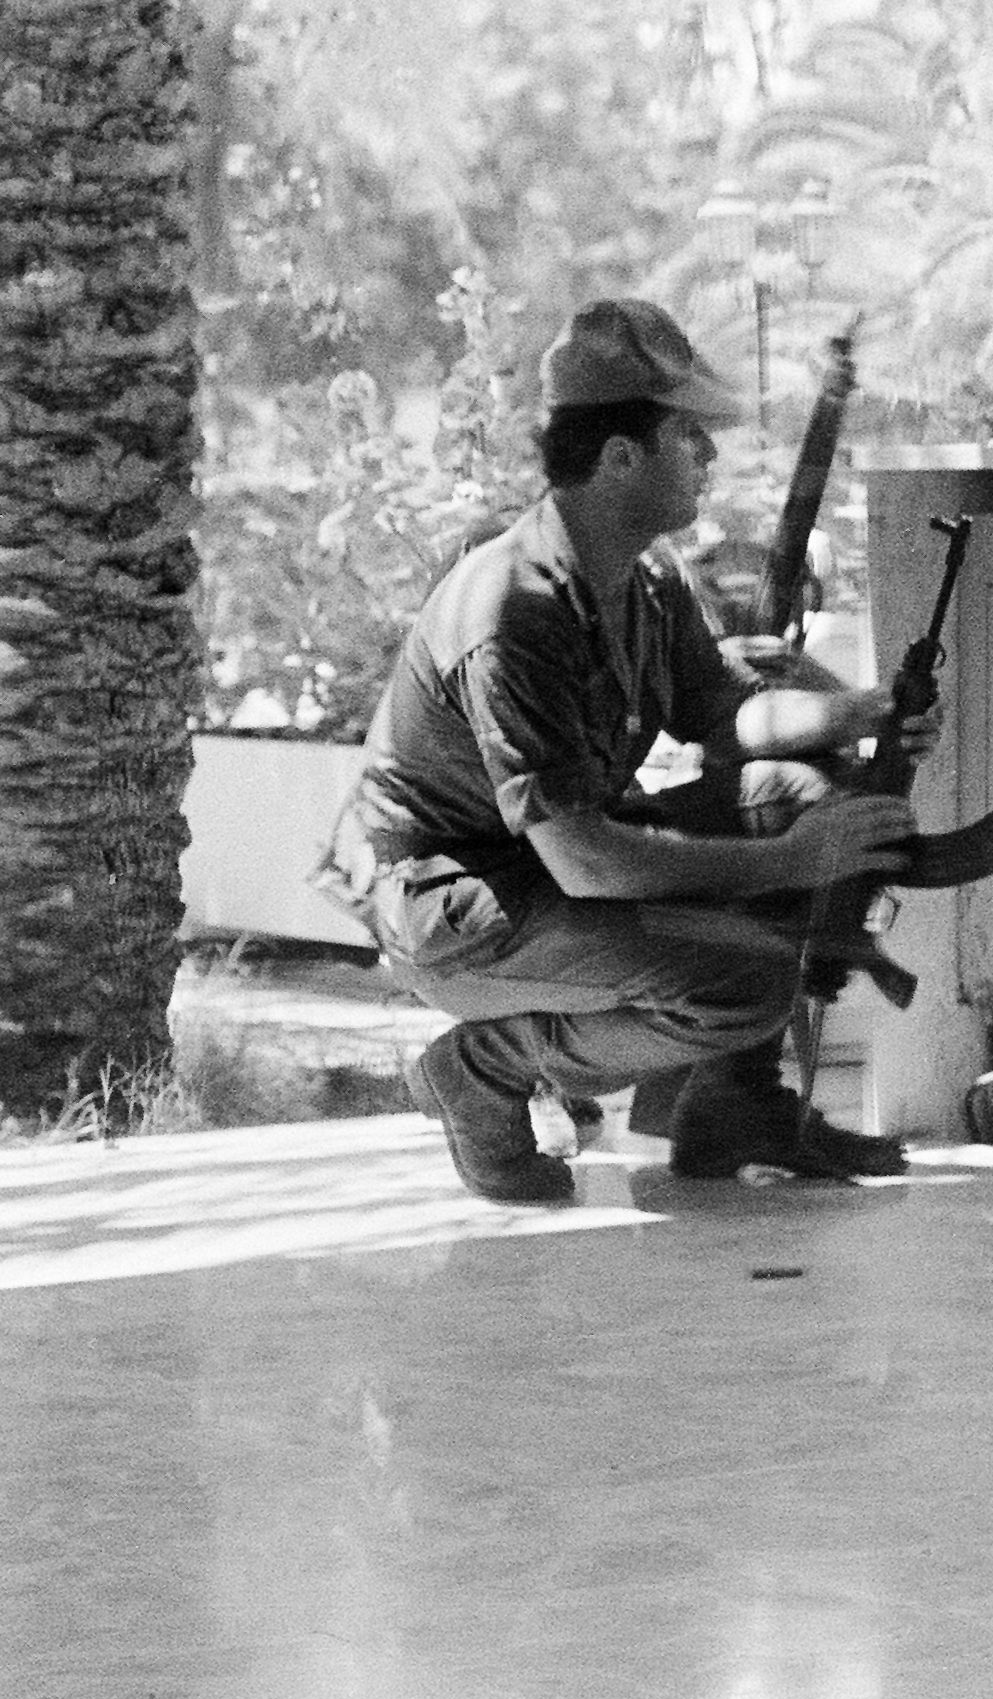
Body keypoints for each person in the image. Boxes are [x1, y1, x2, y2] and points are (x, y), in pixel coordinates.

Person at [357, 298, 940, 1204]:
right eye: (689, 438)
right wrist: (786, 864)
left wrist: (861, 712)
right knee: (747, 979)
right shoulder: (514, 610)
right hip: (464, 913)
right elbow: (585, 860)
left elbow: (728, 716)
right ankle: (484, 1069)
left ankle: (731, 1110)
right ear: (622, 457)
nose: (708, 457)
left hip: (549, 875)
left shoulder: (645, 575)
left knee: (793, 791)